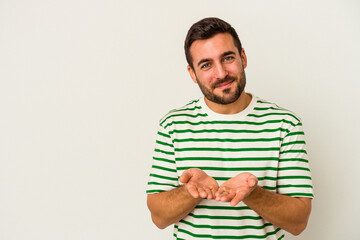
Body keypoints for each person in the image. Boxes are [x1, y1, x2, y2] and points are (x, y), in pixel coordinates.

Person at [146, 17, 313, 240]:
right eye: (206, 65)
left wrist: (253, 194)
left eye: (228, 58)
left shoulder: (285, 124)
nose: (221, 73)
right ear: (192, 73)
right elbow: (159, 218)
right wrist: (191, 192)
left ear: (243, 57)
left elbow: (299, 221)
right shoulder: (173, 125)